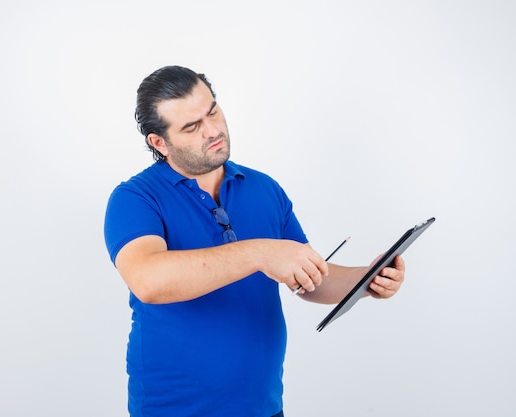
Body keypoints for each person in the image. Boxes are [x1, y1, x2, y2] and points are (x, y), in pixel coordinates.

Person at [104, 65, 406, 417]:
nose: (213, 130)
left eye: (212, 111)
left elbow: (308, 279)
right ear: (159, 142)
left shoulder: (264, 188)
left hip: (263, 408)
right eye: (192, 126)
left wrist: (367, 279)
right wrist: (260, 253)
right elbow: (148, 281)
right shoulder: (135, 198)